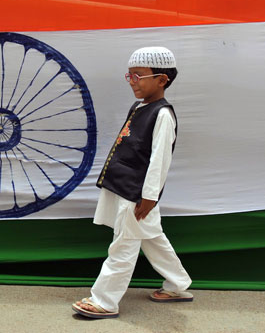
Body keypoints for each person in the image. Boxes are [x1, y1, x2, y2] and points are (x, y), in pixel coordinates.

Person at [72, 47, 193, 319]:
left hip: (137, 193)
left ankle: (104, 301)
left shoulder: (162, 115)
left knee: (124, 245)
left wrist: (149, 197)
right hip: (124, 186)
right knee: (152, 237)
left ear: (162, 80)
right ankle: (178, 284)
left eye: (139, 76)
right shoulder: (139, 107)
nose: (133, 82)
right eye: (130, 76)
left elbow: (160, 160)